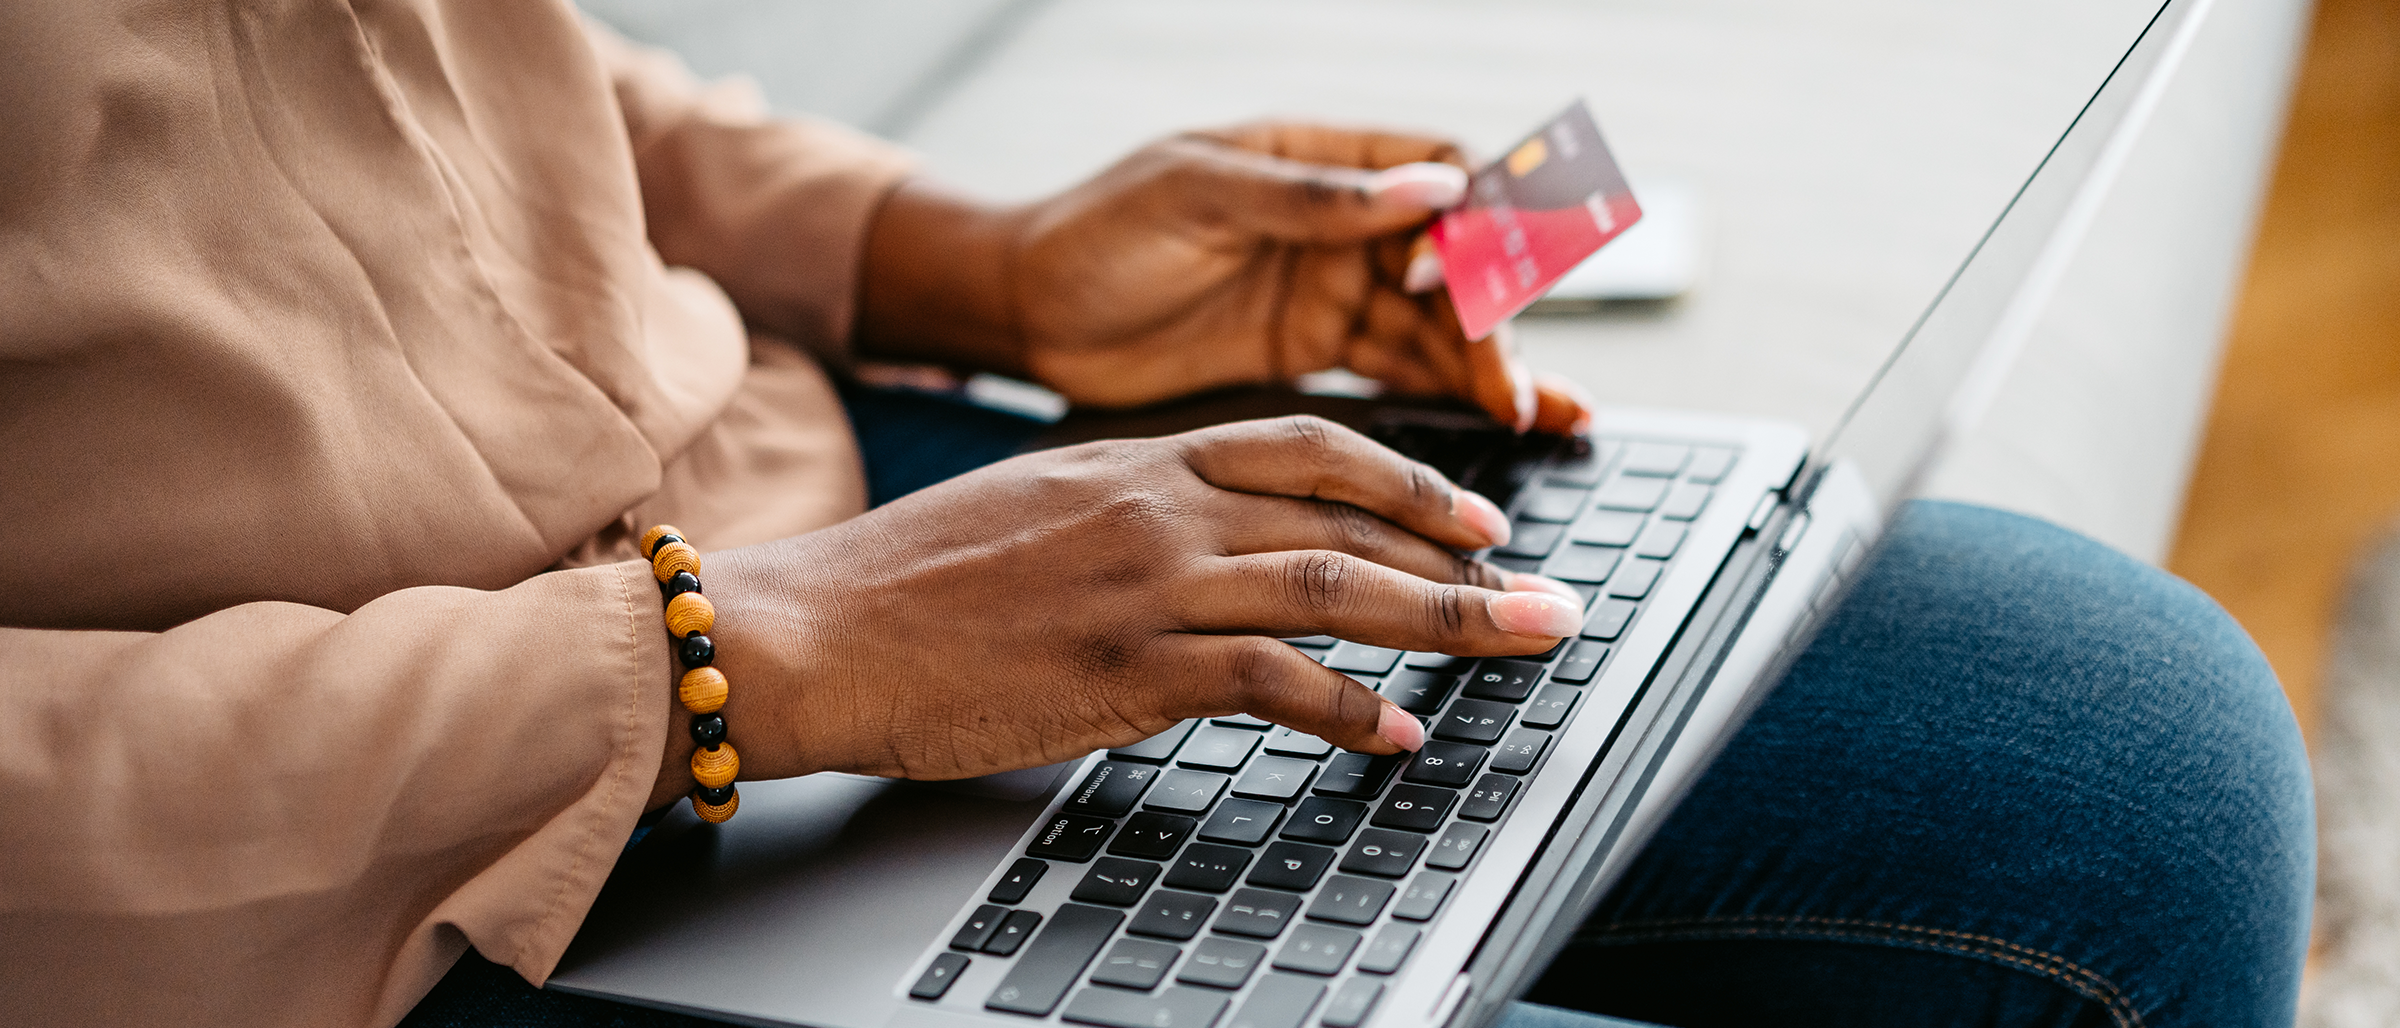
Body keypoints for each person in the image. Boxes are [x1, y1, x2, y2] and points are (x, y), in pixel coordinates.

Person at [0, 3, 2312, 1028]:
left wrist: (952, 260)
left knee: (2120, 770)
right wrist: (729, 660)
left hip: (757, 515)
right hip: (309, 883)